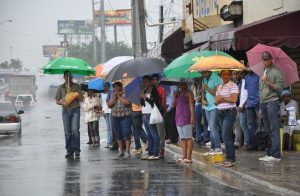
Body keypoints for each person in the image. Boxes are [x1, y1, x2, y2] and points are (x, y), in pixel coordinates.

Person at [259, 51, 284, 162]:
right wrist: (260, 105)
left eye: (267, 59)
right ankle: (269, 153)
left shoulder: (277, 72)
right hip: (264, 102)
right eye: (264, 59)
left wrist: (268, 82)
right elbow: (261, 89)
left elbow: (280, 88)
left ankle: (276, 155)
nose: (265, 61)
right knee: (267, 129)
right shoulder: (263, 71)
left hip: (273, 101)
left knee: (274, 129)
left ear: (271, 59)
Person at [55, 71, 83, 158]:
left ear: (72, 77)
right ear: (64, 77)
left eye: (70, 76)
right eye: (66, 76)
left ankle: (77, 150)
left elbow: (81, 99)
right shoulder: (61, 87)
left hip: (75, 110)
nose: (68, 77)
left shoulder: (77, 86)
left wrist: (74, 95)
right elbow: (57, 100)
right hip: (65, 111)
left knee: (75, 130)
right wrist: (62, 102)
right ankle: (69, 150)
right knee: (67, 132)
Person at [215, 70, 239, 167]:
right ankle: (228, 158)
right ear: (221, 75)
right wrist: (219, 100)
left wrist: (223, 99)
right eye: (224, 74)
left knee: (226, 134)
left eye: (228, 74)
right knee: (224, 135)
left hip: (229, 112)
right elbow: (216, 102)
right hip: (220, 112)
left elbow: (234, 99)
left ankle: (231, 159)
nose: (226, 76)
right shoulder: (219, 86)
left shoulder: (233, 85)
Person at [107, 81, 132, 157]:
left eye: (118, 86)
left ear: (121, 87)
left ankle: (127, 151)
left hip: (125, 116)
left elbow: (127, 103)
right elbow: (109, 105)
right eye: (115, 87)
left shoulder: (127, 93)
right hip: (115, 117)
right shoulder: (112, 94)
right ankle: (121, 151)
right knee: (118, 134)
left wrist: (119, 96)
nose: (116, 88)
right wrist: (114, 97)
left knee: (127, 133)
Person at [140, 75, 163, 160]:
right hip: (144, 114)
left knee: (154, 134)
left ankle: (156, 153)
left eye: (146, 81)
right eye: (143, 81)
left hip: (151, 114)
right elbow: (143, 104)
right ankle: (150, 152)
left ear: (150, 82)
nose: (144, 83)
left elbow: (153, 103)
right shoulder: (144, 90)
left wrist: (145, 97)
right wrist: (142, 97)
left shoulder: (154, 91)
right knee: (149, 135)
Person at [173, 81, 195, 163]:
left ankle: (189, 157)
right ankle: (184, 156)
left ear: (186, 84)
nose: (182, 85)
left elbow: (191, 105)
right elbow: (173, 105)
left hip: (186, 116)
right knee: (182, 138)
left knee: (188, 137)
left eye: (183, 83)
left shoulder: (189, 93)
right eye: (180, 84)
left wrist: (192, 116)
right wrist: (174, 96)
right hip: (178, 117)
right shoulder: (177, 93)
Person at [201, 71, 222, 155]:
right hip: (207, 106)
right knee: (210, 127)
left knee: (213, 126)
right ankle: (213, 148)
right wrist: (203, 99)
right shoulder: (203, 80)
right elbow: (203, 92)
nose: (203, 74)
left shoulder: (216, 78)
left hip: (215, 105)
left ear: (209, 70)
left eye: (204, 73)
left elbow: (217, 93)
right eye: (202, 73)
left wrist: (207, 88)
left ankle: (218, 147)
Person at [244, 68, 260, 151]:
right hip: (249, 103)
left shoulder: (259, 76)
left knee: (259, 124)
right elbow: (247, 91)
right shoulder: (246, 77)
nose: (248, 67)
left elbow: (261, 89)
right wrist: (245, 103)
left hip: (258, 102)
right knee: (250, 124)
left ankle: (260, 144)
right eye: (247, 66)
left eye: (250, 65)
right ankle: (251, 144)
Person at [152, 74, 166, 158]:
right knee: (154, 133)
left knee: (161, 133)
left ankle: (161, 150)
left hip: (159, 113)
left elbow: (163, 101)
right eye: (153, 79)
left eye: (155, 79)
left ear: (158, 80)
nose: (154, 81)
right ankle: (155, 149)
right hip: (151, 114)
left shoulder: (161, 89)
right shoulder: (149, 90)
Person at [101, 82, 113, 148]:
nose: (105, 87)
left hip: (110, 111)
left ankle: (110, 142)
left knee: (111, 127)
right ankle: (108, 142)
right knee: (108, 128)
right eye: (104, 86)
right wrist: (102, 111)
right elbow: (103, 103)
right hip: (105, 111)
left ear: (108, 86)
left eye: (106, 86)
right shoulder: (102, 94)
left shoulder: (111, 93)